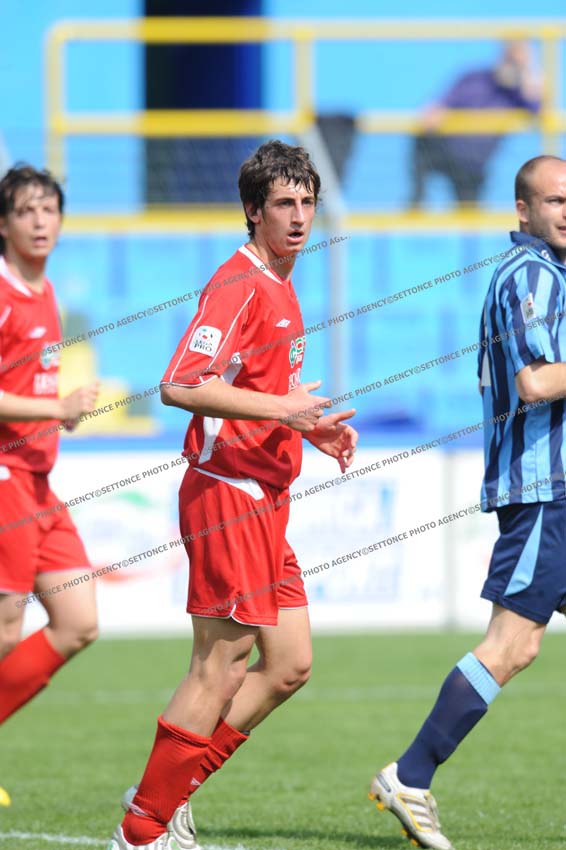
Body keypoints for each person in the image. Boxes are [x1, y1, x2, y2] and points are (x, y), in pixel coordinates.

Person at [109, 140, 358, 850]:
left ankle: (165, 795)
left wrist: (306, 427)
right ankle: (142, 829)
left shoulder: (282, 283)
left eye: (308, 202)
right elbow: (180, 384)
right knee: (220, 666)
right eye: (283, 203)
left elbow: (255, 391)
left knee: (289, 664)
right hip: (228, 494)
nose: (299, 216)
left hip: (266, 497)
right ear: (253, 211)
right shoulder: (239, 282)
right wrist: (282, 410)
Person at [369, 154, 566, 849]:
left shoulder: (554, 274)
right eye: (555, 201)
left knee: (519, 644)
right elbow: (536, 382)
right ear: (524, 210)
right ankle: (409, 775)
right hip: (544, 491)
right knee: (512, 644)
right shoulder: (530, 275)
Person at [0, 165, 99, 804]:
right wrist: (55, 408)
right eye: (25, 211)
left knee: (78, 621)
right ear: (3, 223)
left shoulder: (47, 290)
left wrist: (57, 414)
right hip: (5, 478)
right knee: (7, 631)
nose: (40, 221)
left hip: (39, 483)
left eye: (48, 210)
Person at [410, 41, 541, 206]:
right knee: (422, 139)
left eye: (517, 63)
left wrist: (527, 72)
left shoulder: (517, 94)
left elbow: (538, 111)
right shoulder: (474, 79)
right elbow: (438, 107)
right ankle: (417, 200)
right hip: (447, 151)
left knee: (468, 215)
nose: (511, 65)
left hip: (473, 167)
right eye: (509, 58)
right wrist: (434, 111)